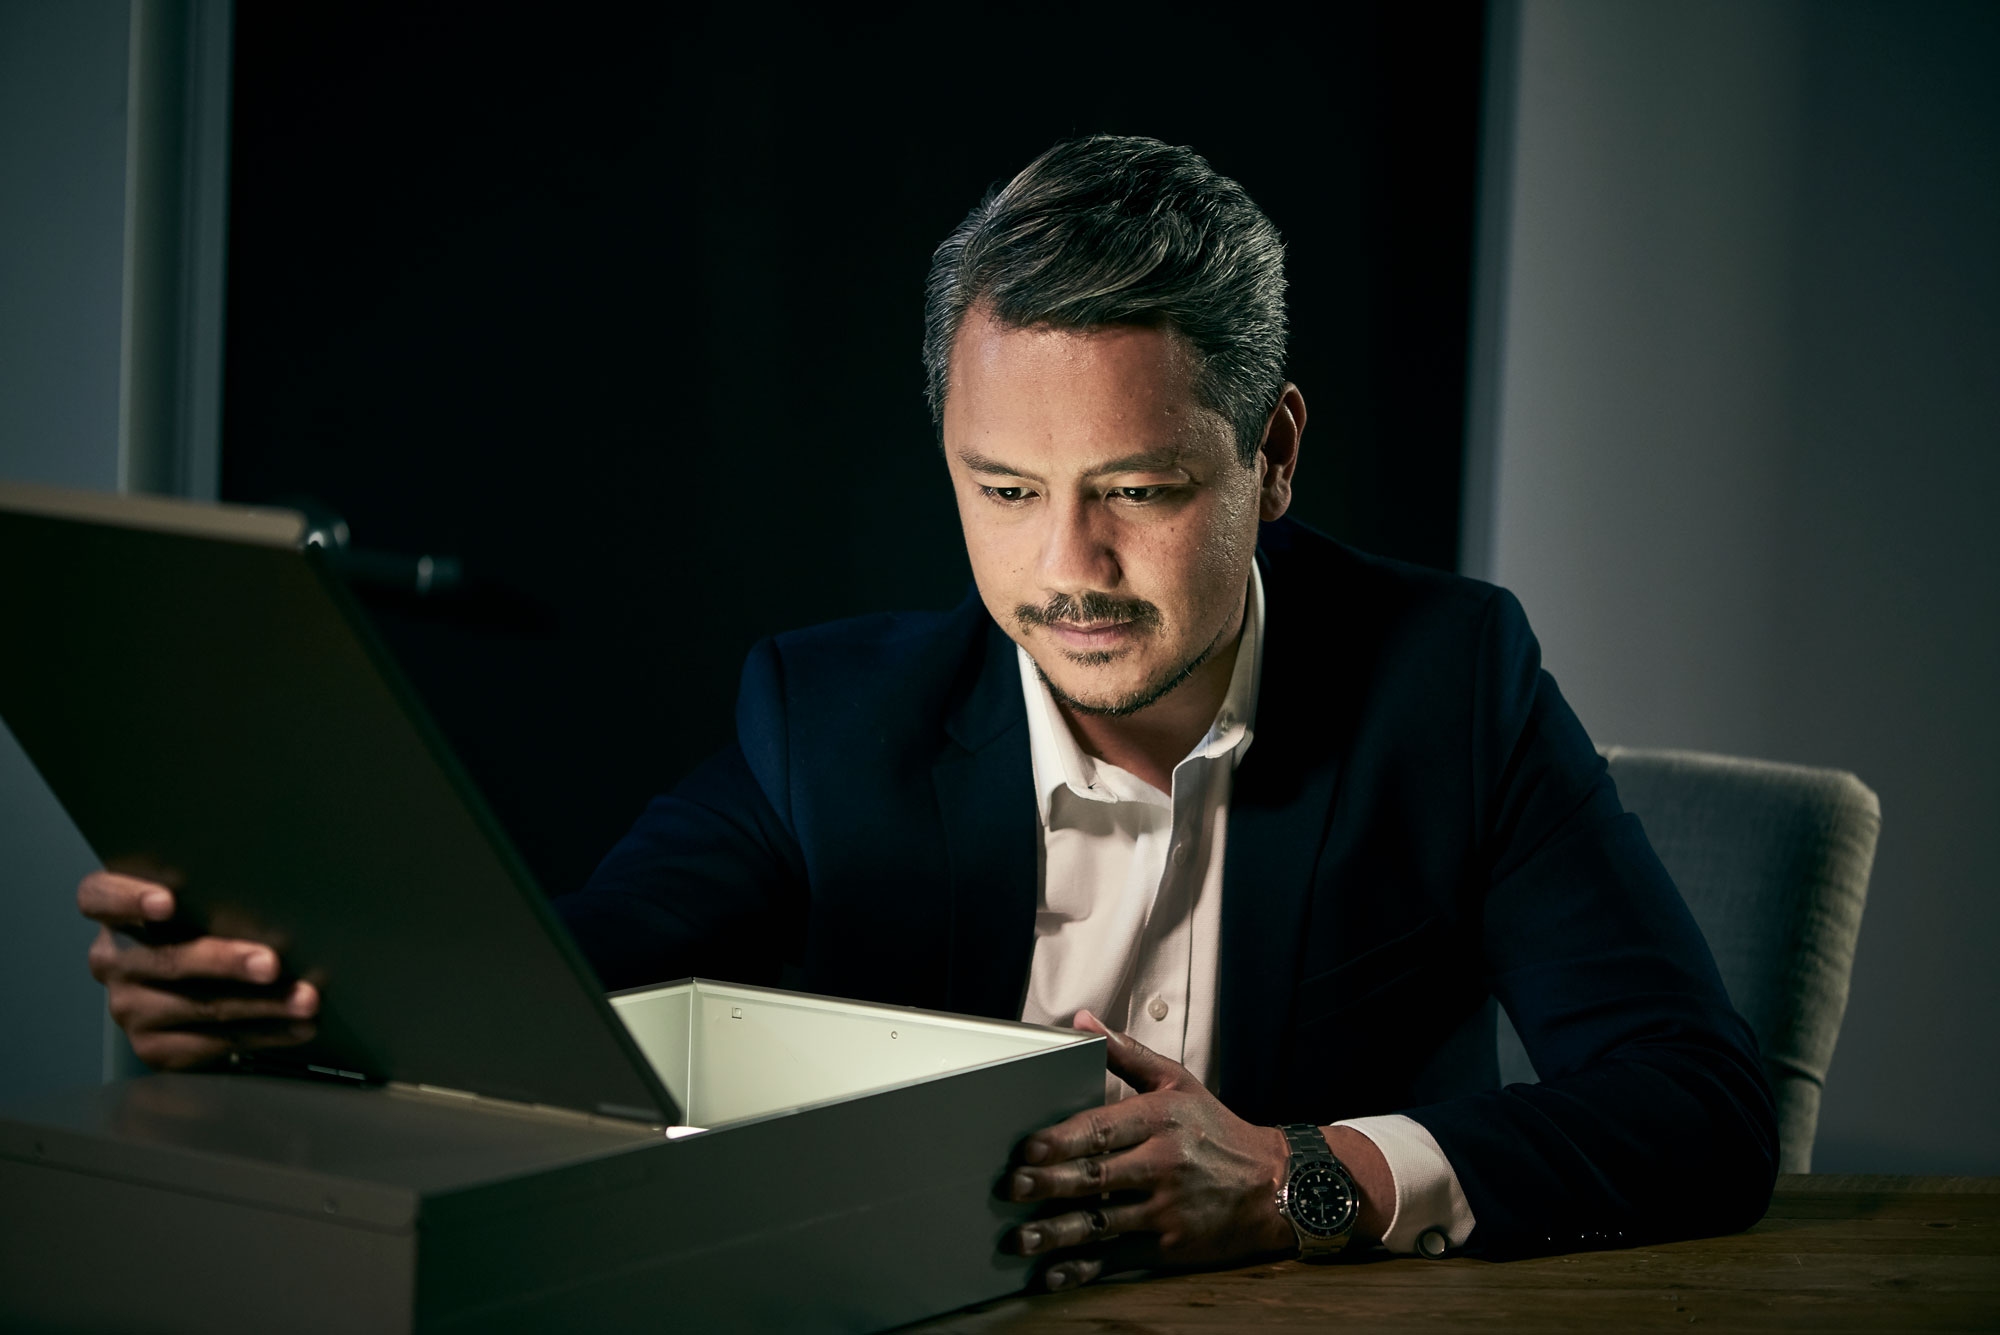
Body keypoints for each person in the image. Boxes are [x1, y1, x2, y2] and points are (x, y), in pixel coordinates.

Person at [79, 135, 1777, 1290]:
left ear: (1271, 457)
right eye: (1004, 487)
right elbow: (564, 1000)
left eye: (1140, 489)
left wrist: (1297, 1178)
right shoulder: (829, 720)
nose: (1071, 569)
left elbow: (1698, 1106)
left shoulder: (1449, 680)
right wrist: (300, 1012)